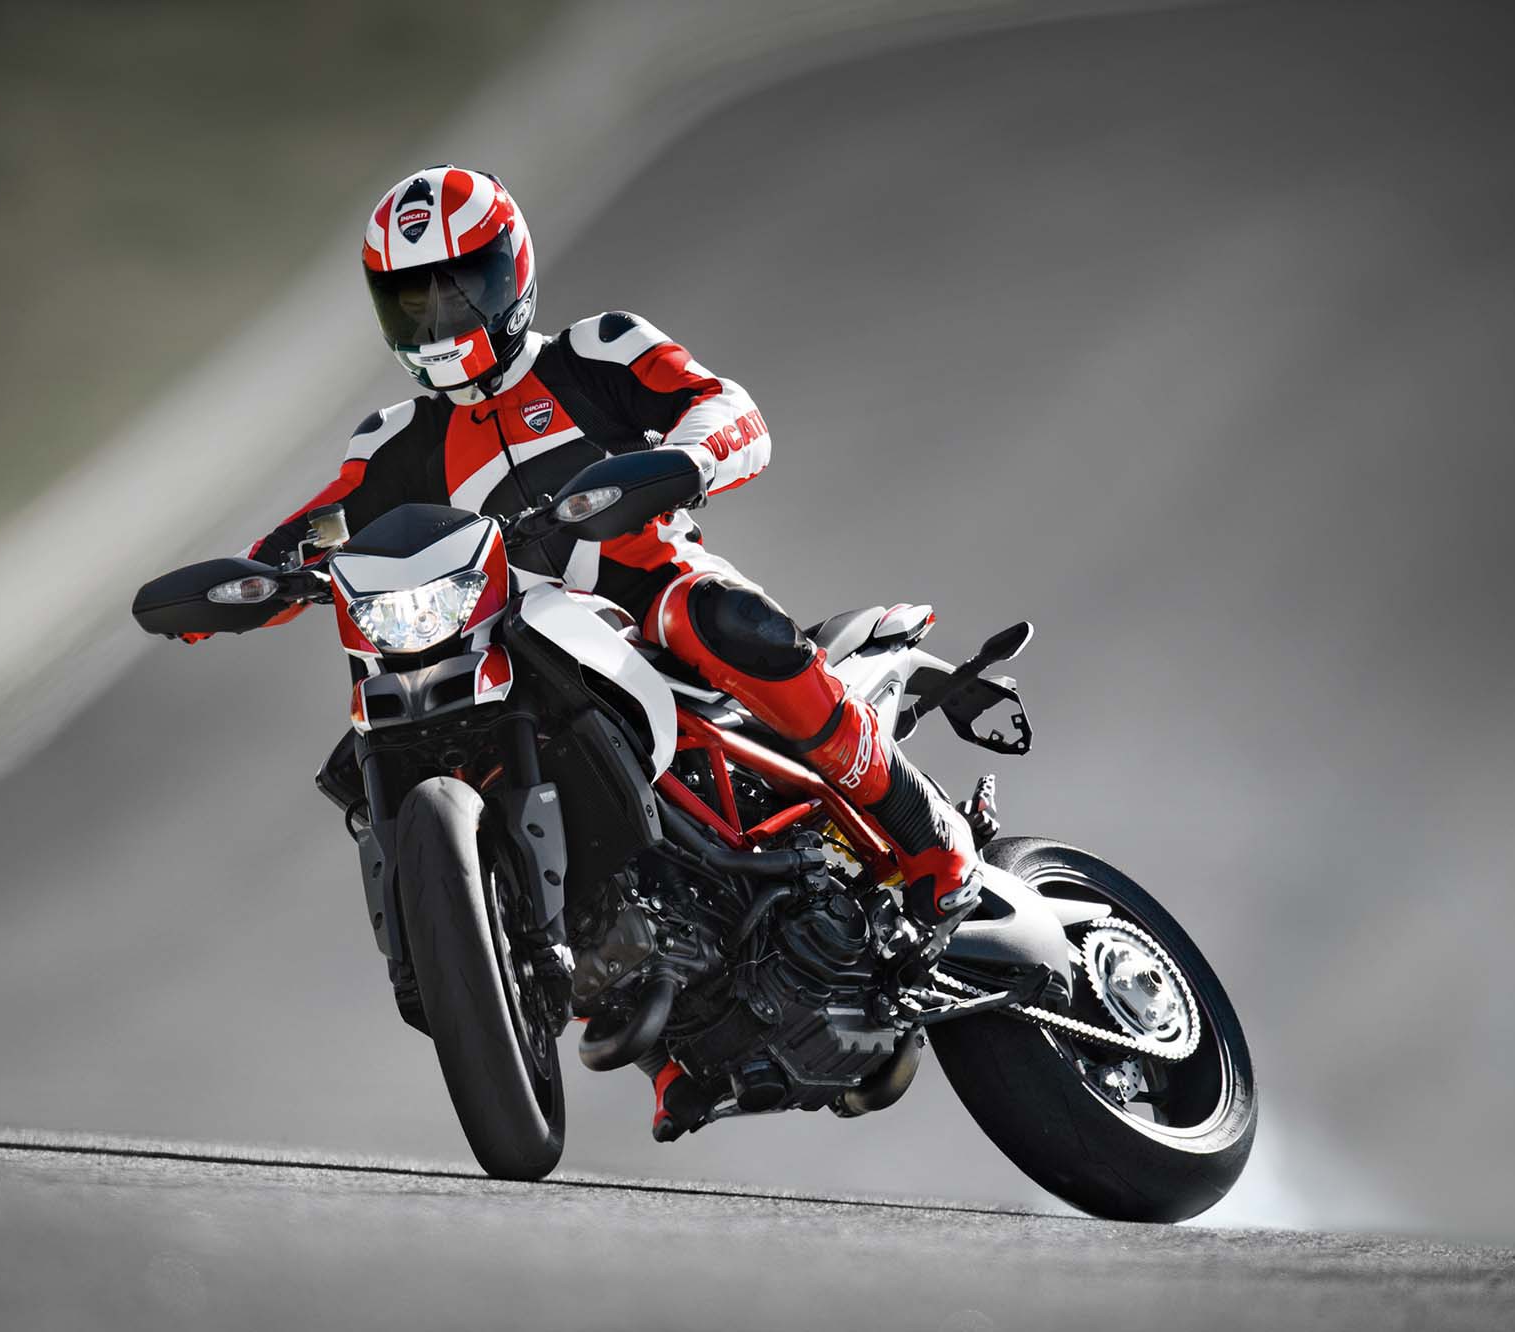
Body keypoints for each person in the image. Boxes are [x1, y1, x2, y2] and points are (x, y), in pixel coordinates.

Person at [214, 165, 985, 1135]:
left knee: (720, 621)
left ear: (512, 272)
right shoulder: (393, 444)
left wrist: (686, 456)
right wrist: (240, 584)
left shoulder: (598, 352)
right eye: (412, 300)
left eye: (460, 287)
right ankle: (639, 1009)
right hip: (505, 641)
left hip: (647, 595)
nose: (440, 318)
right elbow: (315, 530)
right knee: (388, 748)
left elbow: (724, 406)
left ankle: (926, 834)